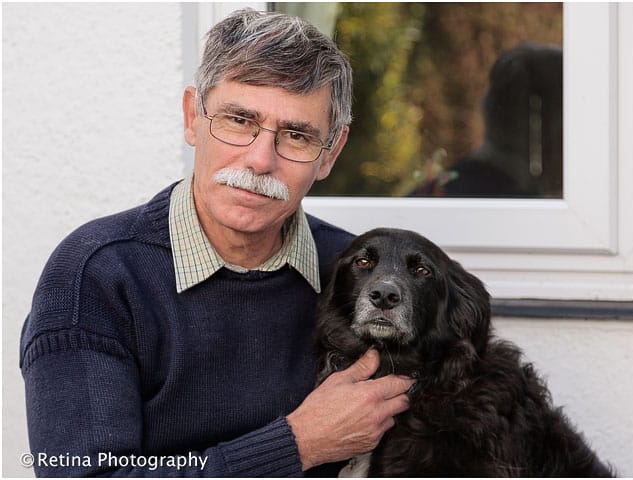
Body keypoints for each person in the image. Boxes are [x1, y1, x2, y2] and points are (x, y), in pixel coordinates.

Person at [19, 8, 414, 477]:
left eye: (296, 135)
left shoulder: (361, 279)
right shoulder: (96, 276)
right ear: (193, 117)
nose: (259, 159)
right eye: (239, 120)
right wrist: (299, 444)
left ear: (330, 153)